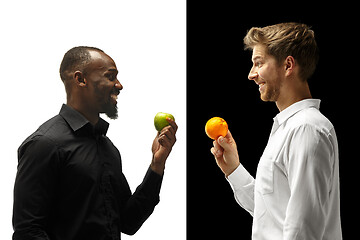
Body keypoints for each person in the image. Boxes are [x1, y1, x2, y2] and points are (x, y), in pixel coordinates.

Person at [12, 46, 178, 240]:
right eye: (110, 76)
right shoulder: (44, 144)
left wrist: (157, 165)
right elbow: (28, 232)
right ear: (81, 79)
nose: (119, 85)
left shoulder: (107, 147)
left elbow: (128, 222)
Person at [210, 23, 342, 239]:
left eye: (258, 63)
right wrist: (233, 169)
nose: (251, 74)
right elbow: (272, 214)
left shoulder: (306, 128)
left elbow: (302, 230)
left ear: (288, 65)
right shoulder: (290, 127)